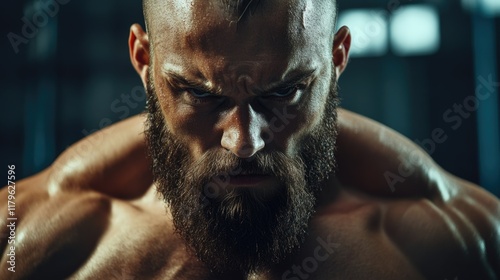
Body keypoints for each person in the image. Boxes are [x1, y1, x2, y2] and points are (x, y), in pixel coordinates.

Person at [1, 0, 499, 279]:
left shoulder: (456, 241)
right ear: (144, 63)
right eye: (200, 94)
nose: (244, 142)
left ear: (337, 59)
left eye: (284, 92)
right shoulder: (29, 238)